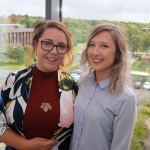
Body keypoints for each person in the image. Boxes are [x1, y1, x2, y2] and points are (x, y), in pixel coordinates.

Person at [0, 20, 78, 150]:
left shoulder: (72, 86)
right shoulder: (14, 81)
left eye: (61, 46)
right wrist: (24, 145)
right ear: (35, 45)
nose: (54, 51)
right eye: (47, 43)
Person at [70, 23, 137, 150]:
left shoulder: (125, 98)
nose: (95, 52)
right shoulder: (83, 83)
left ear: (118, 54)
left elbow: (120, 147)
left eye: (104, 46)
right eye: (92, 45)